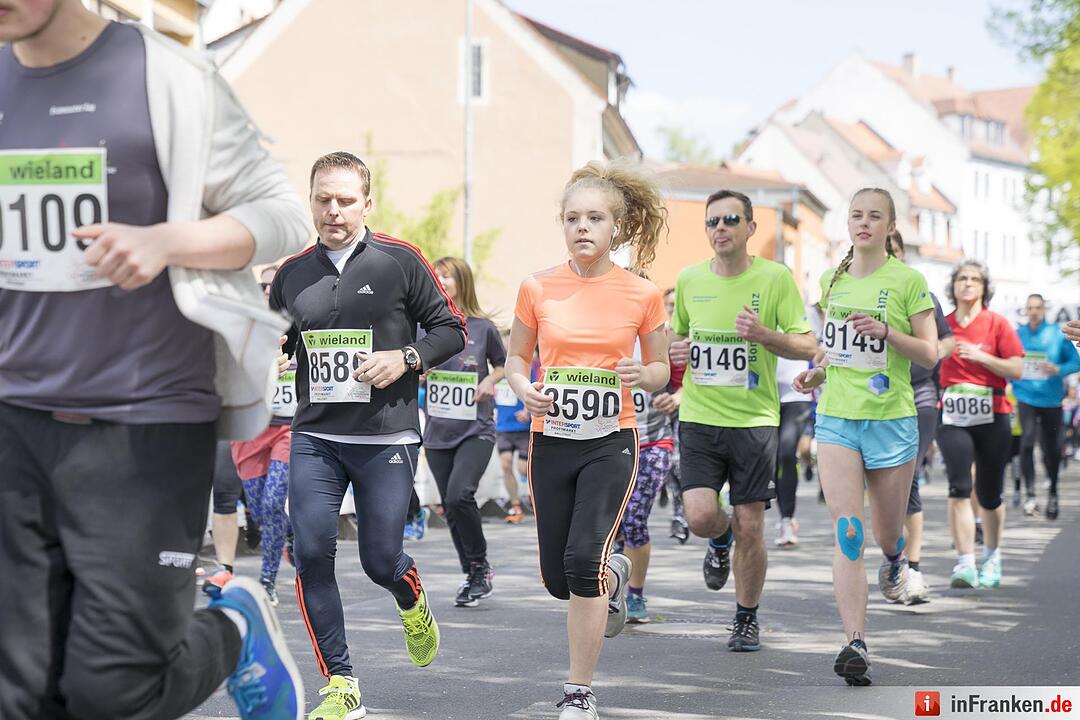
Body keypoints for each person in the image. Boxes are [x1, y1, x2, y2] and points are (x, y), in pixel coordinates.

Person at [0, 2, 311, 718]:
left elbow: (280, 212)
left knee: (113, 695)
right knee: (19, 693)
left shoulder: (164, 74)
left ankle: (235, 627)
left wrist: (169, 241)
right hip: (14, 419)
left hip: (143, 421)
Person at [270, 151, 466, 719]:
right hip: (316, 436)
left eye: (345, 200)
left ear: (367, 203)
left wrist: (406, 357)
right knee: (309, 553)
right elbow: (280, 340)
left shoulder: (399, 261)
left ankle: (410, 595)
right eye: (322, 200)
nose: (333, 211)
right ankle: (341, 684)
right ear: (310, 202)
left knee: (381, 559)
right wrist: (275, 355)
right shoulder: (292, 274)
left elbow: (450, 331)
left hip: (385, 437)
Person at [506, 160, 670, 720]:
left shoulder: (642, 293)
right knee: (560, 579)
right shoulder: (536, 286)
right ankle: (615, 572)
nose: (583, 227)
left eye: (595, 218)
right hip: (551, 438)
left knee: (580, 563)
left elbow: (660, 370)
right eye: (573, 217)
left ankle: (580, 692)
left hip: (611, 440)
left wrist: (639, 375)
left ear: (616, 228)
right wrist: (524, 389)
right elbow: (515, 360)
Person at [792, 188, 937, 686]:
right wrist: (816, 373)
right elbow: (833, 350)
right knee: (849, 532)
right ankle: (854, 641)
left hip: (892, 421)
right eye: (856, 215)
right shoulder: (833, 280)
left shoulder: (908, 280)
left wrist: (886, 332)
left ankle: (897, 561)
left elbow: (929, 353)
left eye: (875, 216)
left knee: (885, 533)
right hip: (836, 417)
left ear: (890, 225)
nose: (864, 223)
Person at [668, 190, 816, 653]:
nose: (720, 228)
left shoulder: (775, 279)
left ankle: (746, 617)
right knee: (699, 516)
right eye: (712, 221)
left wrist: (764, 335)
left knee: (752, 525)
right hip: (698, 417)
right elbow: (677, 340)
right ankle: (718, 539)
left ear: (751, 228)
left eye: (731, 219)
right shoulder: (690, 279)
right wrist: (676, 354)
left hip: (754, 421)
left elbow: (808, 343)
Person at [935, 260, 1024, 590]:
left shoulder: (997, 325)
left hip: (993, 413)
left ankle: (992, 555)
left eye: (974, 279)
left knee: (988, 493)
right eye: (962, 278)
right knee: (959, 486)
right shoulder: (942, 325)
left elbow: (1016, 369)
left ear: (984, 288)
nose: (968, 283)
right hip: (953, 415)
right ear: (953, 285)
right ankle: (965, 562)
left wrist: (980, 357)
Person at [424, 256, 506, 607]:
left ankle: (480, 565)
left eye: (448, 276)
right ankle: (472, 572)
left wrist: (489, 380)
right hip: (438, 431)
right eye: (436, 275)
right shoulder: (424, 327)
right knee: (450, 505)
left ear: (462, 282)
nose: (441, 281)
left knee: (460, 495)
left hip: (476, 428)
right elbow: (413, 362)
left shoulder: (482, 328)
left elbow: (504, 365)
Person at [891, 232, 955, 603]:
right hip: (870, 399)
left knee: (909, 477)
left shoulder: (920, 294)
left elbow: (946, 340)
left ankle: (911, 568)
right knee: (885, 487)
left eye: (895, 251)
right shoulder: (850, 290)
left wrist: (931, 351)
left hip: (919, 394)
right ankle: (892, 559)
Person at [230, 265, 296, 605]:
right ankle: (292, 536)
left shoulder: (302, 322)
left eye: (276, 284)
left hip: (288, 428)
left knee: (272, 502)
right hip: (250, 430)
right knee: (260, 510)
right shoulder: (243, 325)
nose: (270, 289)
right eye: (265, 284)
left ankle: (268, 581)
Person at [1014, 294, 1080, 520]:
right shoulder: (1018, 334)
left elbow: (1076, 362)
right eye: (1030, 307)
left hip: (1051, 400)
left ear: (1044, 309)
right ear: (1025, 310)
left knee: (1051, 450)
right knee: (1027, 443)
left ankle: (1052, 492)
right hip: (1025, 397)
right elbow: (1008, 360)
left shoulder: (1056, 334)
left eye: (1038, 308)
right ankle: (1030, 494)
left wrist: (1058, 369)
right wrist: (1014, 382)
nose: (1033, 311)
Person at [620, 378, 677, 623]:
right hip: (610, 443)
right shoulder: (595, 341)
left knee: (634, 518)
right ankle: (609, 581)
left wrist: (676, 398)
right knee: (613, 521)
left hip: (653, 444)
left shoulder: (660, 343)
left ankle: (634, 594)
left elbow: (689, 379)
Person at [494, 339, 537, 523]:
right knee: (505, 465)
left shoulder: (525, 364)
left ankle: (536, 498)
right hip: (503, 426)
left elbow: (535, 386)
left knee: (522, 468)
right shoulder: (497, 368)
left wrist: (527, 411)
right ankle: (515, 505)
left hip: (522, 426)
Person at [774, 357, 813, 547]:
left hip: (797, 397)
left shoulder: (808, 325)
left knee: (786, 454)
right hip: (764, 394)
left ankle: (787, 520)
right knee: (771, 458)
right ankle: (783, 517)